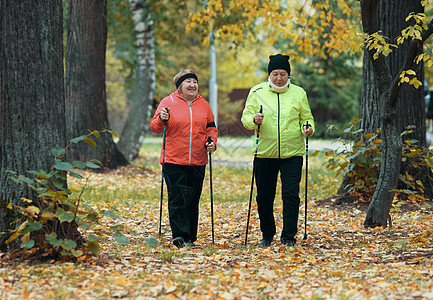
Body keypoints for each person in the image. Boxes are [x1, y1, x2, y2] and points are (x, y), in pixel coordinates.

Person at [241, 54, 314, 248]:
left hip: (292, 153)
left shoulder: (299, 93)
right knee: (264, 196)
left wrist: (307, 128)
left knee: (291, 195)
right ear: (269, 74)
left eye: (283, 74)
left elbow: (306, 118)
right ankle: (267, 234)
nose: (279, 78)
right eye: (275, 74)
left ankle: (289, 236)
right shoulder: (257, 91)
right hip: (265, 153)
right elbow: (246, 118)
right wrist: (253, 120)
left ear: (288, 75)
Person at [150, 69, 218, 248]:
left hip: (198, 159)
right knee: (178, 197)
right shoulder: (168, 102)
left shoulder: (204, 104)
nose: (192, 85)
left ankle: (190, 237)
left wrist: (212, 142)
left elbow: (211, 128)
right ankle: (180, 236)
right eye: (188, 82)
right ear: (180, 86)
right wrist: (161, 119)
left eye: (194, 82)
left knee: (192, 199)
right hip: (173, 160)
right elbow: (155, 127)